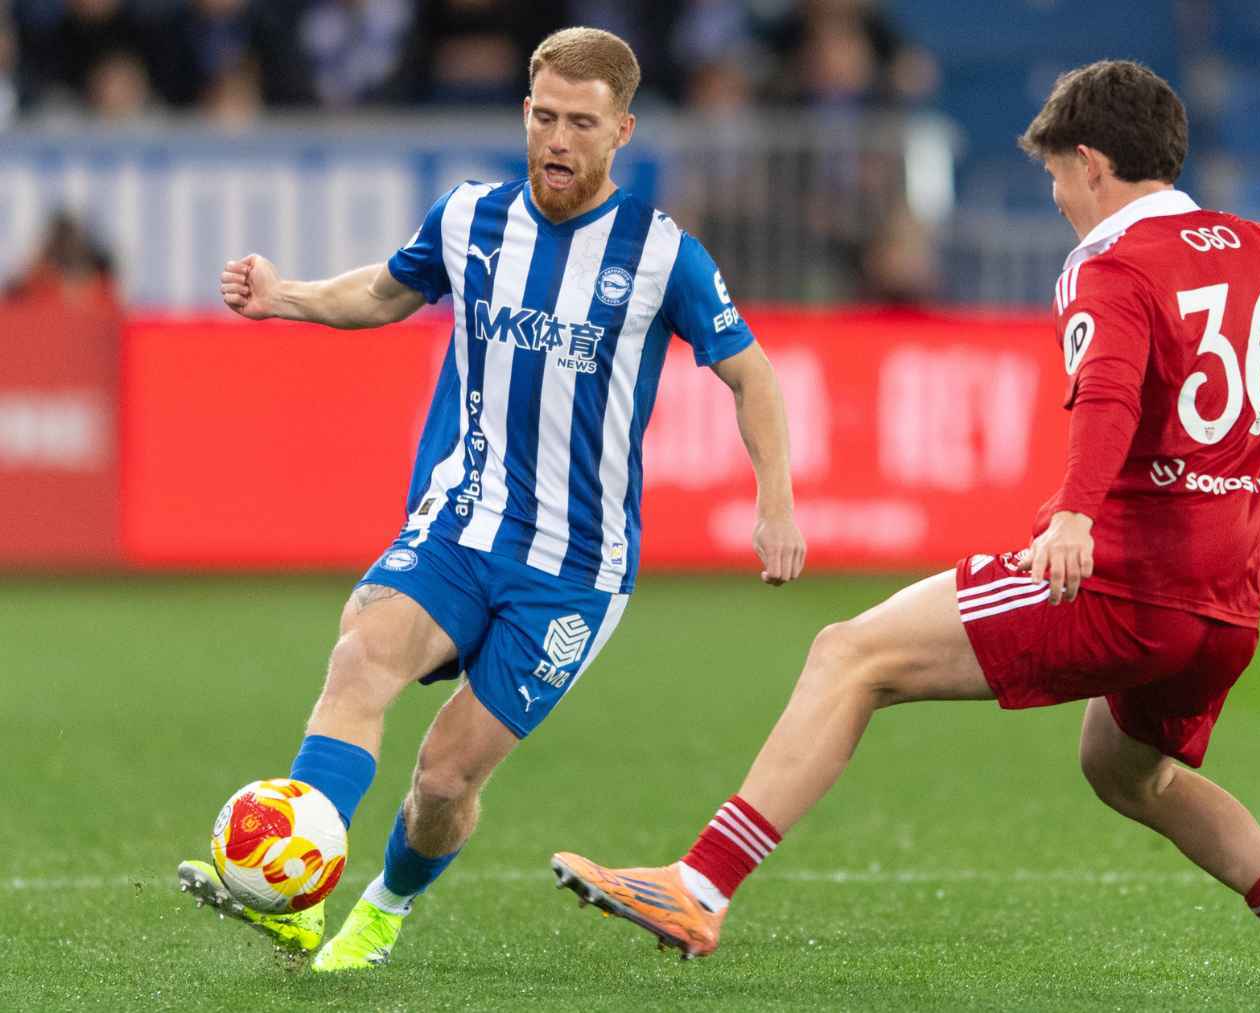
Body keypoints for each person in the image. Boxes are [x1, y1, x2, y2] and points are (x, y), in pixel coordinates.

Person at [550, 59, 1260, 987]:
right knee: (1129, 773)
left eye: (1054, 172)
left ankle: (699, 884)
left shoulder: (1112, 266)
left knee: (851, 653)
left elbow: (1110, 396)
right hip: (1225, 610)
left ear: (1091, 162)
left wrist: (1077, 517)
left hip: (1125, 580)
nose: (1054, 195)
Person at [175, 27, 807, 972]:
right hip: (460, 523)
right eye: (545, 116)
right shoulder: (471, 217)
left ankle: (383, 908)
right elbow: (390, 292)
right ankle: (294, 895)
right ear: (525, 110)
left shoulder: (662, 255)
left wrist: (777, 501)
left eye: (582, 124)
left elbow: (751, 376)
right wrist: (286, 296)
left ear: (622, 130)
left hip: (573, 572)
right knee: (359, 660)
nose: (558, 139)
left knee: (443, 778)